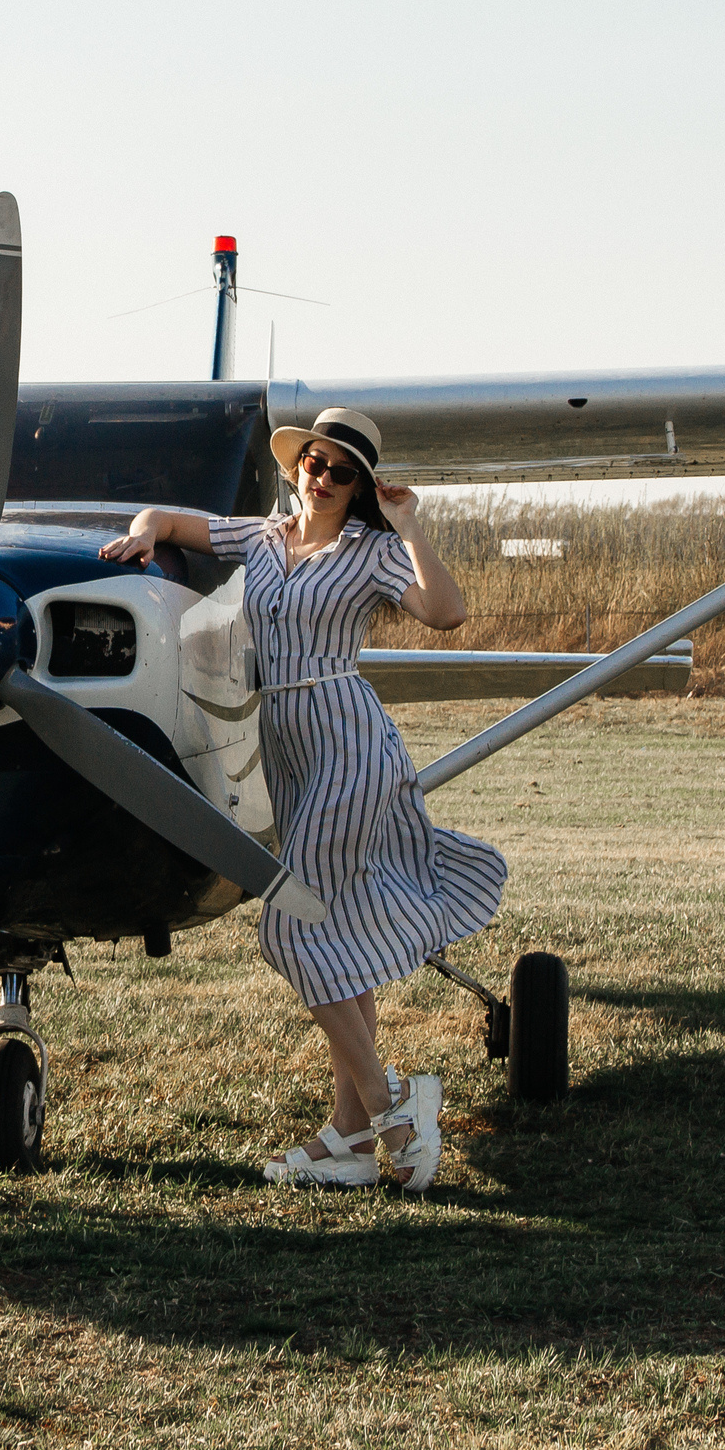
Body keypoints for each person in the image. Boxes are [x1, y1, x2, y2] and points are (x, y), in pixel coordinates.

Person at [98, 406, 508, 1191]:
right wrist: (147, 535)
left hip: (347, 737)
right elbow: (166, 520)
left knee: (291, 927)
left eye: (341, 471)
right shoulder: (259, 537)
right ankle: (351, 1137)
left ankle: (392, 1105)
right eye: (315, 462)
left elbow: (446, 612)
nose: (322, 477)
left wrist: (409, 523)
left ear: (360, 489)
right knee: (341, 938)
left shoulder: (371, 552)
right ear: (298, 466)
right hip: (282, 744)